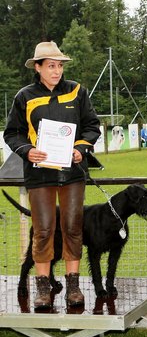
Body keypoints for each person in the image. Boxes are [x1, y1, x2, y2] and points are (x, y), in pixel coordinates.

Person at [4, 41, 101, 309]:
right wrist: (27, 150)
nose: (56, 71)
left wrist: (81, 148)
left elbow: (92, 126)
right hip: (39, 177)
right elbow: (12, 133)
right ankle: (43, 289)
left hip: (72, 174)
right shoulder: (24, 96)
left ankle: (73, 286)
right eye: (50, 66)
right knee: (44, 231)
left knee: (72, 228)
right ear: (38, 68)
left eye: (59, 66)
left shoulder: (77, 91)